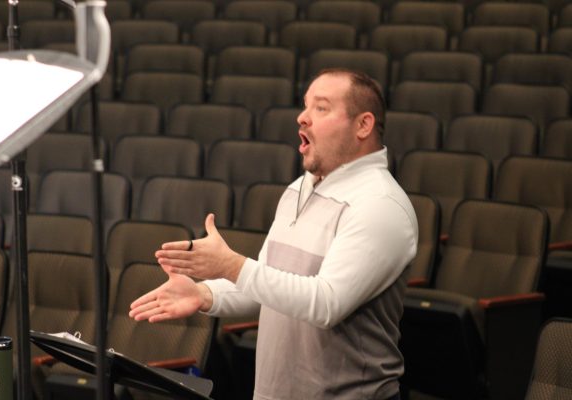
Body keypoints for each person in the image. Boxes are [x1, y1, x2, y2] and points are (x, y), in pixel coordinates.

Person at [129, 68, 418, 400]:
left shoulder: (380, 205)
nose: (302, 118)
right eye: (305, 106)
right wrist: (204, 295)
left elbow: (326, 304)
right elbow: (268, 287)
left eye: (321, 108)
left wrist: (231, 266)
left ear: (363, 125)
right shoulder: (299, 189)